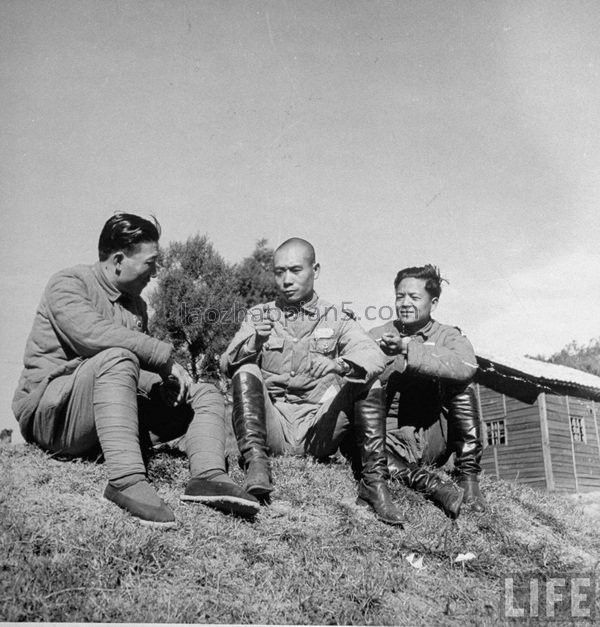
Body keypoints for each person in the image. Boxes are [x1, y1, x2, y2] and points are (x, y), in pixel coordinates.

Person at [12, 213, 259, 528]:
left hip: (101, 417)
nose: (155, 274)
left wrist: (164, 383)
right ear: (118, 260)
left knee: (203, 393)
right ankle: (125, 481)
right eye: (150, 263)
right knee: (118, 357)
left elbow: (135, 372)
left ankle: (208, 477)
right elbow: (91, 337)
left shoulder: (137, 306)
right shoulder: (68, 284)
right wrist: (162, 358)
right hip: (52, 417)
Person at [220, 237, 405, 526]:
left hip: (319, 431)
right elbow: (225, 364)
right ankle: (256, 464)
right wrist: (253, 341)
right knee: (246, 370)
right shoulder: (259, 315)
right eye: (279, 272)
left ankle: (373, 483)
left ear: (315, 270)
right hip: (275, 430)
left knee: (369, 382)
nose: (286, 280)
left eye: (295, 270)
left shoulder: (337, 317)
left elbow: (373, 355)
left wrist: (340, 364)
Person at [369, 264, 486, 518]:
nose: (405, 303)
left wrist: (407, 350)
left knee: (462, 383)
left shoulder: (448, 335)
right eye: (400, 296)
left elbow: (466, 365)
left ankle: (469, 478)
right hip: (390, 443)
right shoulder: (378, 335)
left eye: (414, 297)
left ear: (433, 303)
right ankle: (428, 484)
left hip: (433, 439)